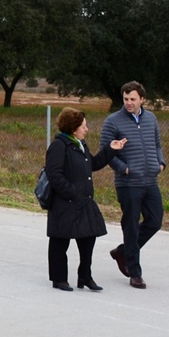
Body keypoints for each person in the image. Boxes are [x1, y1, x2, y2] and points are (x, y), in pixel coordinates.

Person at [45, 107, 127, 291]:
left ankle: (85, 277)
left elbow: (94, 164)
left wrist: (110, 149)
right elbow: (54, 175)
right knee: (60, 241)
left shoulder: (80, 144)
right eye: (84, 126)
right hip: (64, 203)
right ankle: (59, 279)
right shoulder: (59, 146)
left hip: (84, 202)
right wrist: (72, 192)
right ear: (74, 128)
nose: (87, 129)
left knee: (88, 238)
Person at [100, 81, 166, 289]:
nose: (129, 103)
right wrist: (124, 169)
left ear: (142, 100)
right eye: (126, 99)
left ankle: (123, 251)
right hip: (128, 183)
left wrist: (161, 163)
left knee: (155, 221)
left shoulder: (151, 119)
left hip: (150, 181)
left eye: (133, 99)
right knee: (131, 227)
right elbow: (106, 152)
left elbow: (157, 144)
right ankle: (135, 273)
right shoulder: (113, 122)